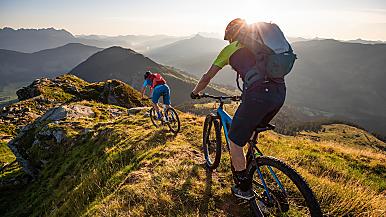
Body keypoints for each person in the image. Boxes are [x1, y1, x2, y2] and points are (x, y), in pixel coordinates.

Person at [191, 18, 287, 199]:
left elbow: (206, 77)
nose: (229, 43)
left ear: (232, 35)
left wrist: (195, 92)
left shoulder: (229, 50)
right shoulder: (262, 45)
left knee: (234, 142)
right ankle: (250, 167)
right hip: (279, 93)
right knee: (248, 134)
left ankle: (244, 189)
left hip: (258, 96)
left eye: (229, 39)